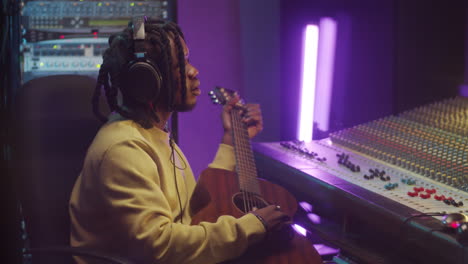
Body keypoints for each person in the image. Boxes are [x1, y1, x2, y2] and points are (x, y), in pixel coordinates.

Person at [69, 18, 291, 264]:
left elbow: (190, 212)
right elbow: (159, 246)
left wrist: (231, 140)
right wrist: (252, 226)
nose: (194, 72)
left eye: (188, 59)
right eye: (180, 65)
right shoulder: (124, 148)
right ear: (148, 82)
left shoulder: (152, 132)